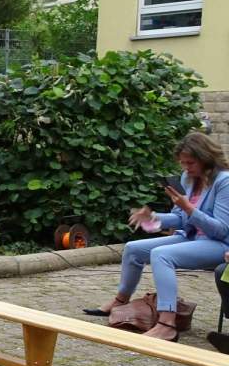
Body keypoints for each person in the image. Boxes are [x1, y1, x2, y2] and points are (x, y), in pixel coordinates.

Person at [87, 132, 229, 341]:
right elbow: (180, 219)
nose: (186, 168)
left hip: (218, 244)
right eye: (183, 163)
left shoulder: (223, 181)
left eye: (190, 163)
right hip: (191, 237)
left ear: (205, 158)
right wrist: (152, 217)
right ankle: (120, 301)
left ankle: (167, 323)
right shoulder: (188, 179)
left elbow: (221, 229)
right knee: (133, 249)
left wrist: (189, 208)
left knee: (162, 255)